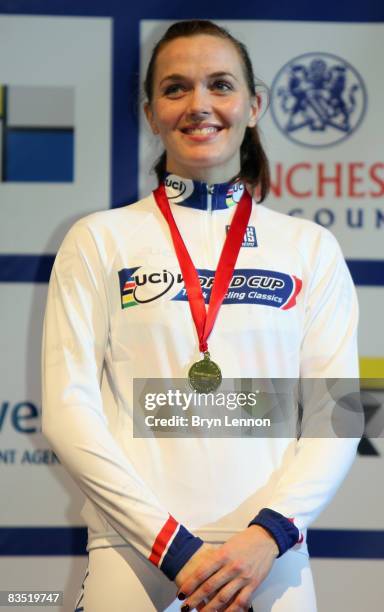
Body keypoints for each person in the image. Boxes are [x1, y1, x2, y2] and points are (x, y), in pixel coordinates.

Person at [41, 19, 360, 612]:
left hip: (268, 561)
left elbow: (338, 413)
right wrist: (174, 547)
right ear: (150, 112)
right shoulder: (99, 239)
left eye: (219, 85)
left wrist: (268, 536)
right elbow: (67, 412)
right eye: (176, 88)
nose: (199, 105)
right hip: (134, 556)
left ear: (254, 104)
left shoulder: (309, 248)